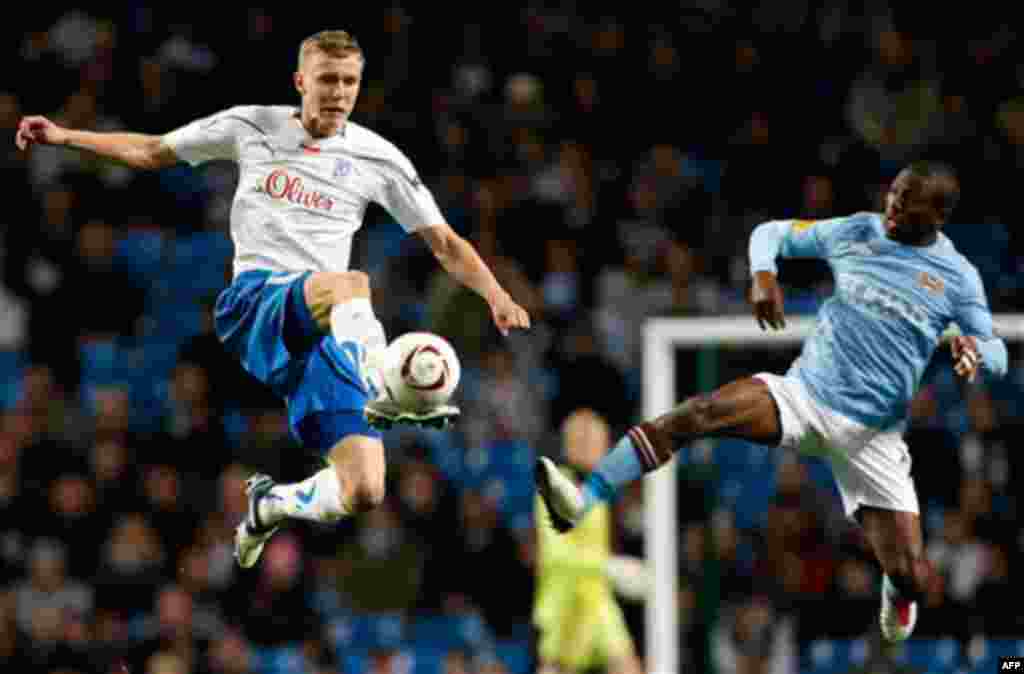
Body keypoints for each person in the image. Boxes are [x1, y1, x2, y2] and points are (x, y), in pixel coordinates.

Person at [15, 29, 530, 569]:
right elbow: (151, 151)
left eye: (350, 81)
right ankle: (383, 379)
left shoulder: (378, 159)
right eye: (327, 80)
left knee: (365, 489)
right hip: (257, 302)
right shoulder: (251, 124)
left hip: (328, 332)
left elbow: (445, 243)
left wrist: (495, 294)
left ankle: (272, 504)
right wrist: (66, 136)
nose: (338, 92)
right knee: (352, 284)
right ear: (300, 81)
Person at [536, 161, 1007, 643]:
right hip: (804, 396)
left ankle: (898, 590)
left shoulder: (957, 276)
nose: (892, 206)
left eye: (907, 202)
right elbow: (770, 233)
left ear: (938, 216)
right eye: (893, 193)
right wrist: (764, 276)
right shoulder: (859, 231)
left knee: (910, 572)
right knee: (698, 413)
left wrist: (973, 347)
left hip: (873, 439)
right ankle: (583, 499)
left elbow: (998, 351)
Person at [534, 409, 644, 674]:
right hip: (563, 604)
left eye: (598, 441)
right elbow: (554, 555)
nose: (594, 447)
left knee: (628, 666)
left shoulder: (600, 488)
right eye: (584, 441)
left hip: (597, 600)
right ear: (570, 445)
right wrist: (608, 567)